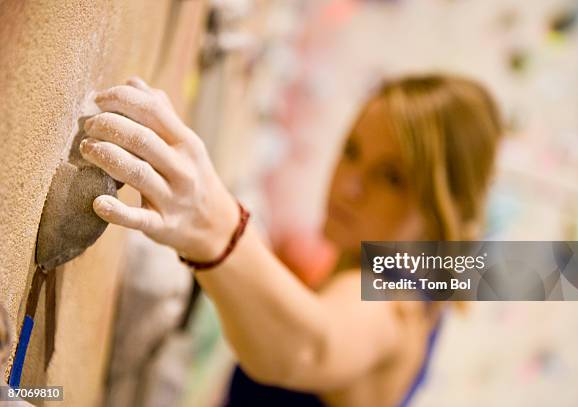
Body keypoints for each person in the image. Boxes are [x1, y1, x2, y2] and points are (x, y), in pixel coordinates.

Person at [80, 74, 502, 406]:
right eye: (352, 151)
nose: (349, 186)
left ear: (442, 205)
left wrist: (214, 225)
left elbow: (311, 348)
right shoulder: (426, 293)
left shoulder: (395, 307)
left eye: (392, 178)